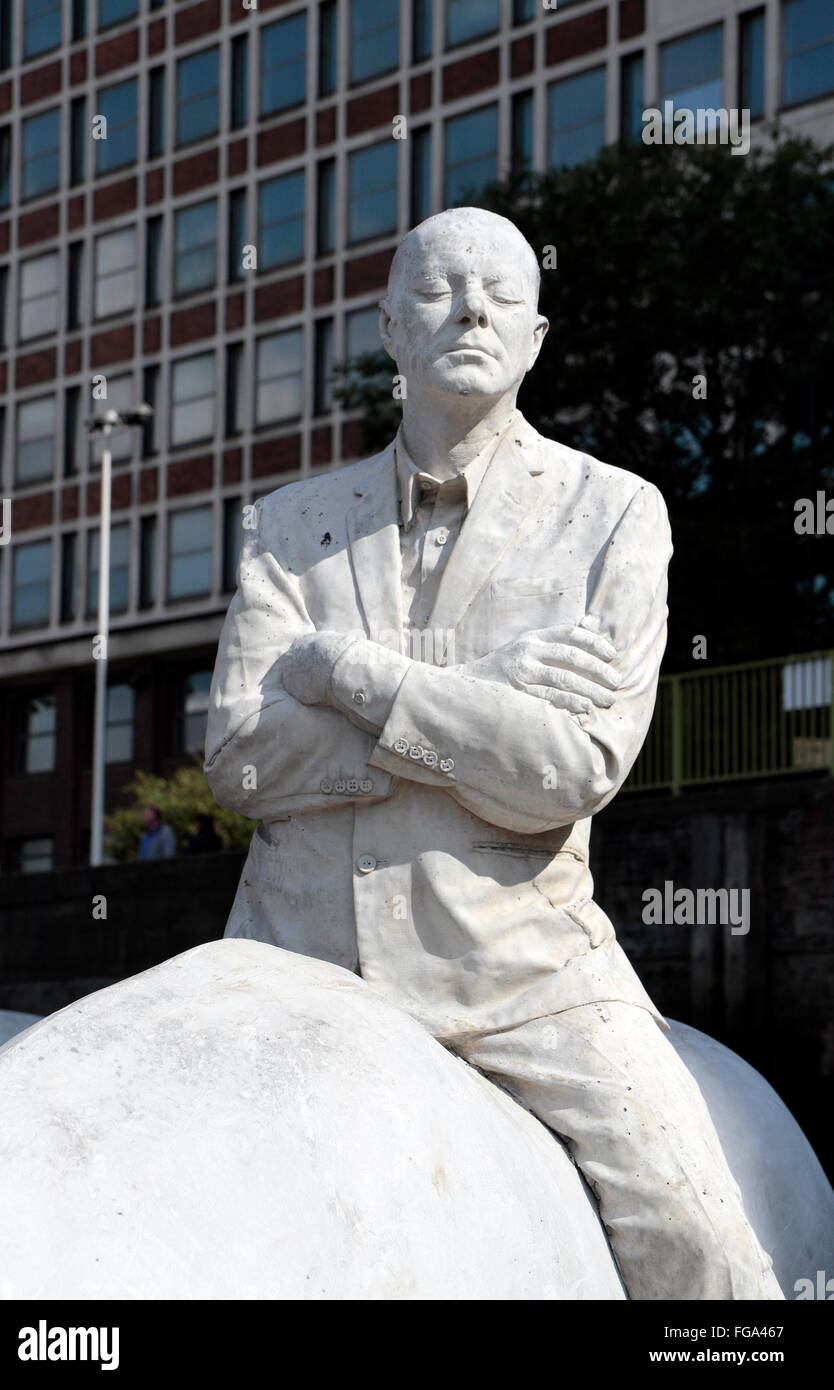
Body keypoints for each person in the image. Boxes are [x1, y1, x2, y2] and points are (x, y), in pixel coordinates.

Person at [205, 207, 782, 1300]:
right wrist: (482, 697)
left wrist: (351, 674)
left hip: (527, 984)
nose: (470, 307)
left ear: (534, 335)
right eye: (438, 288)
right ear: (388, 326)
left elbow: (568, 772)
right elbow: (236, 762)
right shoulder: (286, 525)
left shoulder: (613, 514)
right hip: (287, 968)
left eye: (501, 294)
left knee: (703, 1247)